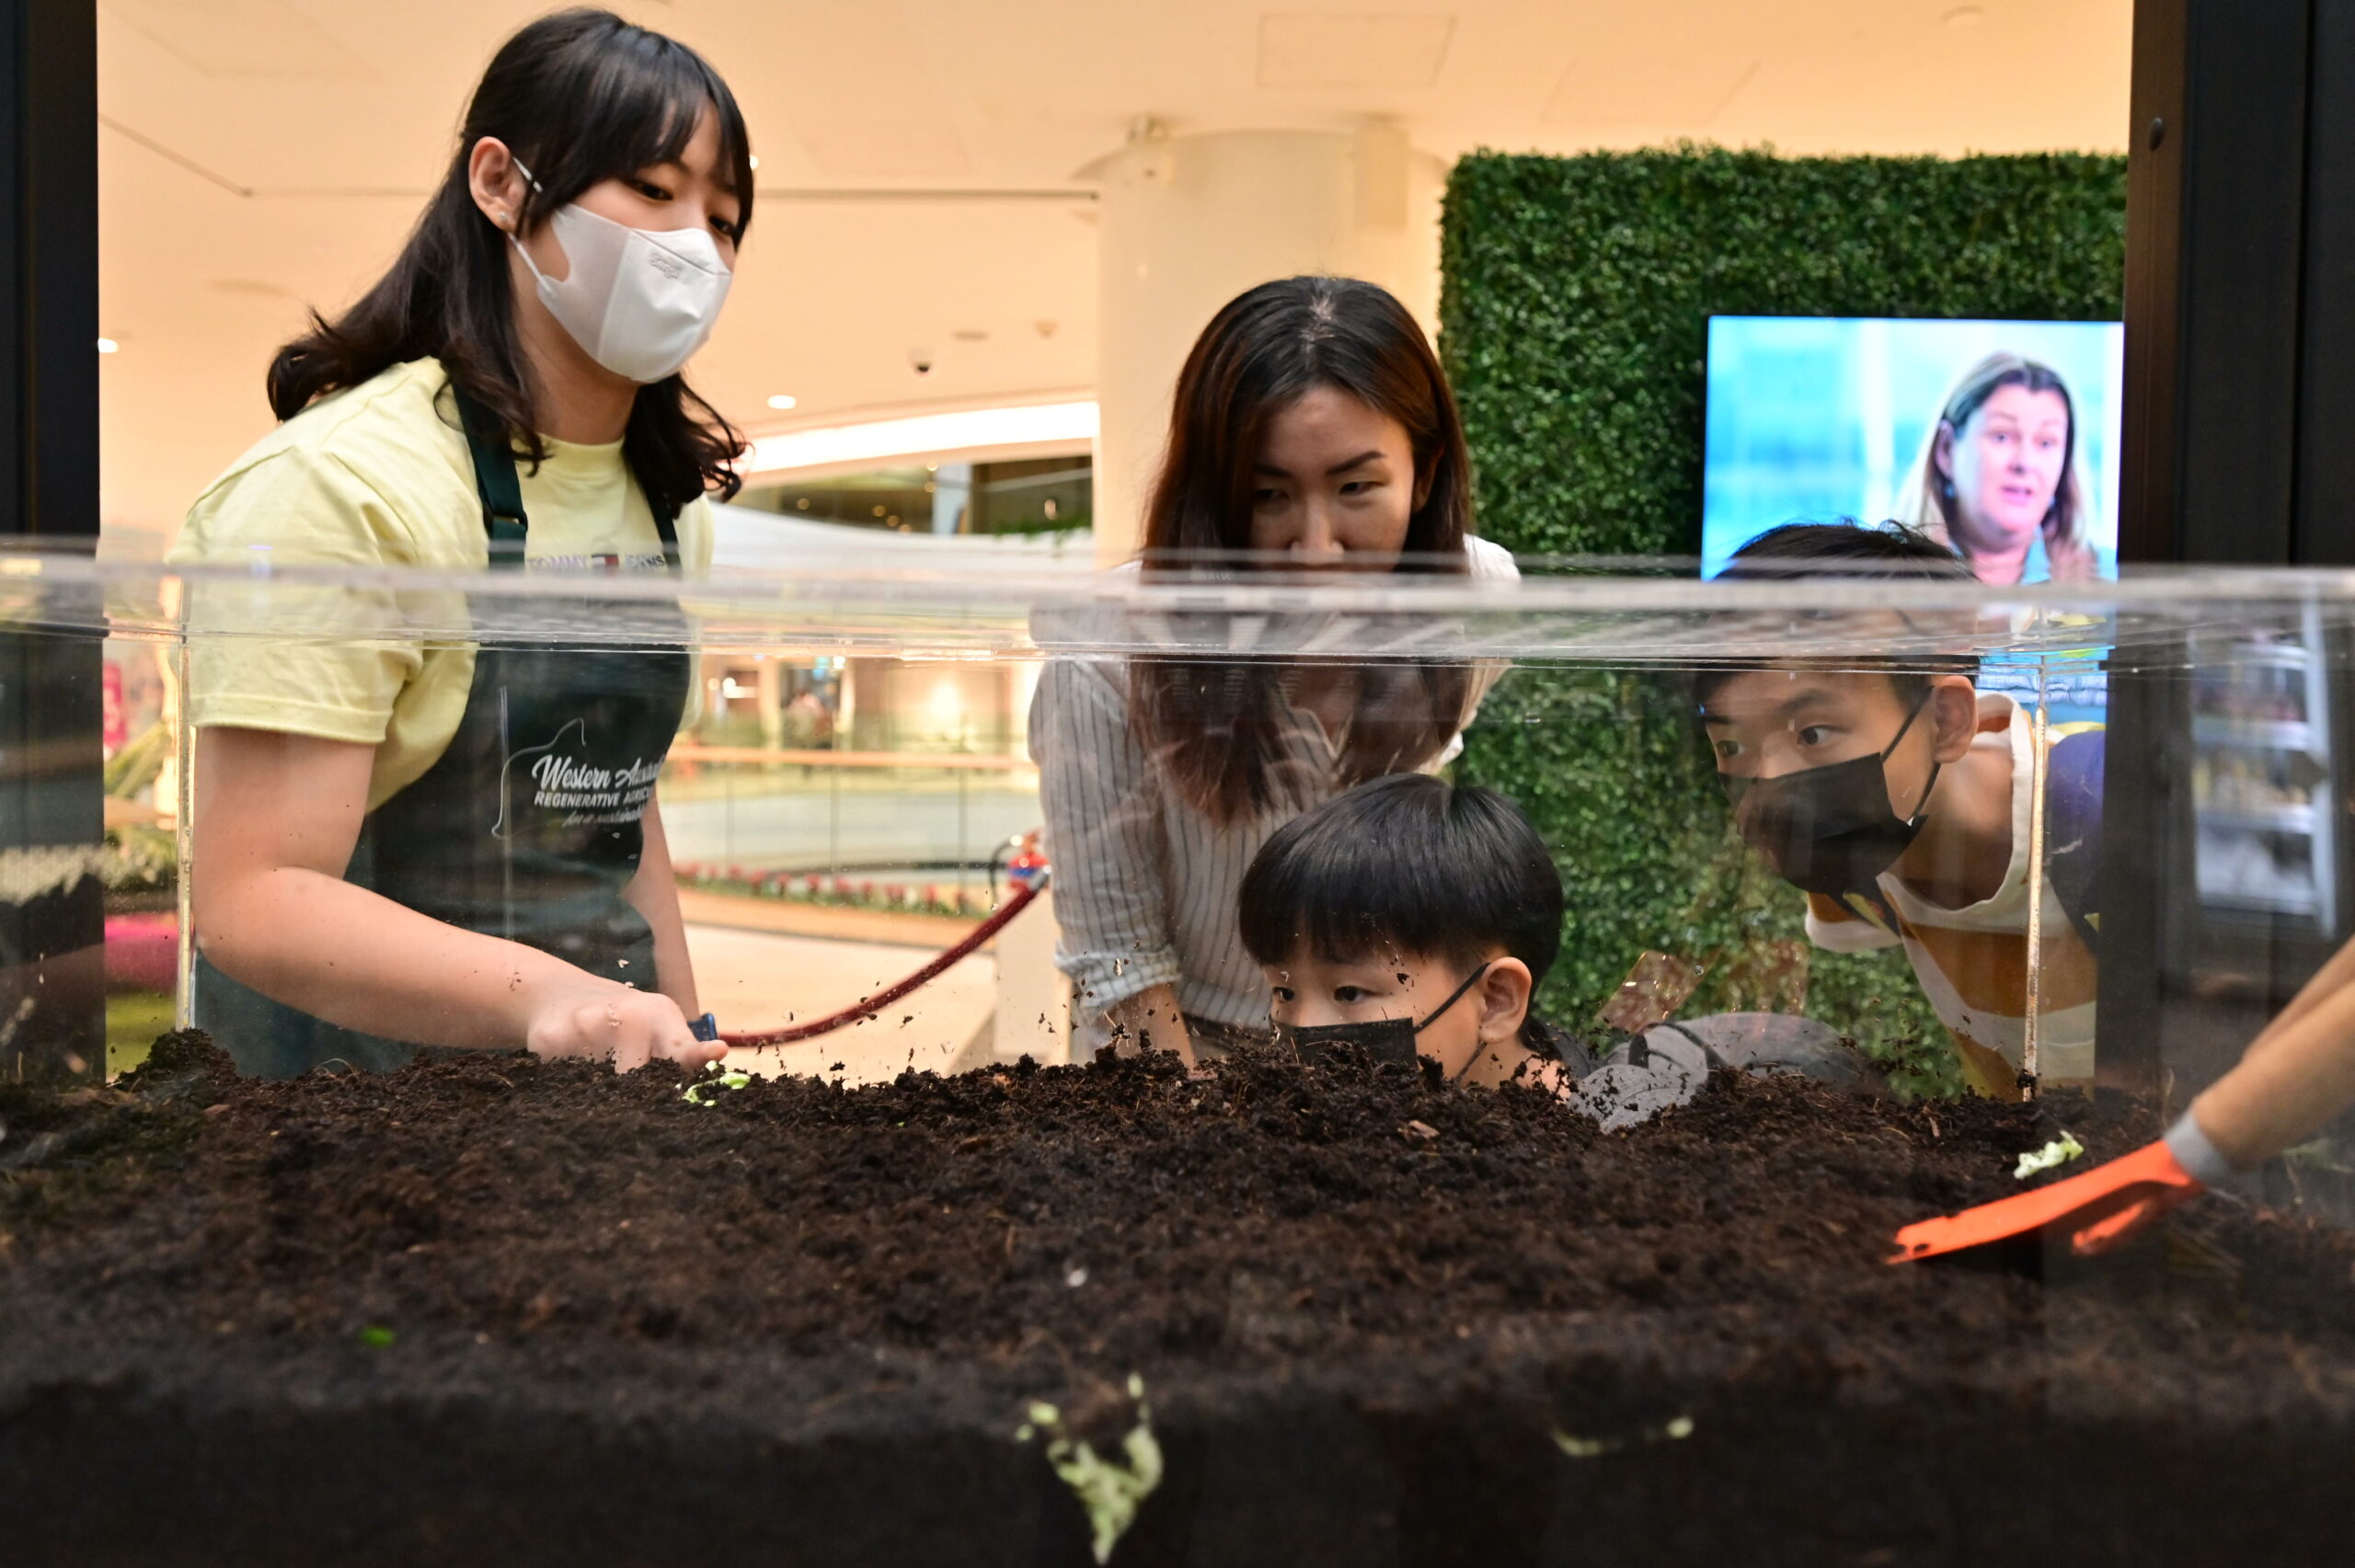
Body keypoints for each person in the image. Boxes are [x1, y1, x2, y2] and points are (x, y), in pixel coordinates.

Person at [166, 10, 747, 1078]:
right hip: (355, 1109)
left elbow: (621, 817)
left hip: (586, 1101)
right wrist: (557, 1000)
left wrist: (686, 1040)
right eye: (656, 192)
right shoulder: (341, 489)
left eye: (723, 220)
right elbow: (253, 898)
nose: (694, 248)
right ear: (501, 183)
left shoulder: (666, 508)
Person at [1029, 276, 1518, 1065]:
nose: (1316, 546)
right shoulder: (1108, 652)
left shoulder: (1478, 604)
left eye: (1357, 487)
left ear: (1424, 474)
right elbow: (1117, 964)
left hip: (1374, 1052)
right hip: (1177, 1057)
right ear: (1216, 495)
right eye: (1268, 494)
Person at [1698, 522, 2103, 1099]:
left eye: (1813, 732)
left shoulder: (2094, 816)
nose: (1772, 781)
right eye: (1732, 746)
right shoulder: (1847, 861)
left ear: (1946, 722)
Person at [1237, 773, 1586, 1089]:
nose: (1303, 1031)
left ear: (1496, 1000)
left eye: (1348, 993)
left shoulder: (1596, 1141)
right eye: (1284, 993)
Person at [1891, 352, 2105, 585]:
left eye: (2046, 443)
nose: (2025, 463)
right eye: (2002, 437)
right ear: (1947, 449)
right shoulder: (1879, 571)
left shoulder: (2111, 576)